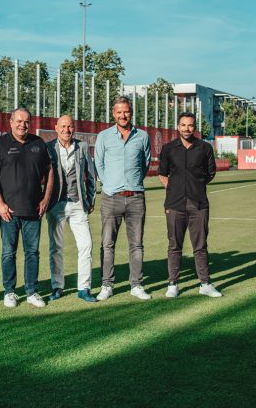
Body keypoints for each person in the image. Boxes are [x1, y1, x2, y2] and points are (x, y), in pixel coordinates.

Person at [0, 107, 54, 309]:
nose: (22, 125)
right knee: (9, 253)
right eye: (19, 121)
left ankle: (32, 291)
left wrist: (45, 199)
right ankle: (10, 292)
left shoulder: (38, 143)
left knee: (32, 252)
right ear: (11, 121)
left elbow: (50, 171)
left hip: (34, 210)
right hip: (8, 212)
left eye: (26, 122)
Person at [158, 112, 222, 298]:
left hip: (198, 203)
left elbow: (211, 173)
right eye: (183, 125)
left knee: (200, 246)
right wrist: (173, 188)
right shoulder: (169, 149)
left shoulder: (204, 148)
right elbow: (163, 173)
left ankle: (205, 283)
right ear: (178, 126)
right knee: (174, 245)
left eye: (190, 125)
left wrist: (196, 186)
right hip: (175, 203)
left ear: (195, 127)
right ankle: (173, 284)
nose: (187, 128)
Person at [93, 96, 152, 301]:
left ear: (131, 112)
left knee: (136, 244)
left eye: (126, 111)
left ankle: (136, 285)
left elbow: (144, 165)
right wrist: (109, 185)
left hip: (136, 198)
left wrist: (132, 183)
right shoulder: (103, 136)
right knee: (107, 244)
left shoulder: (143, 136)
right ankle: (107, 285)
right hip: (111, 198)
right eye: (119, 112)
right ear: (113, 113)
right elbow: (98, 165)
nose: (122, 115)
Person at [45, 115, 99, 303]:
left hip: (78, 205)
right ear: (56, 128)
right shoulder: (48, 147)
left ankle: (84, 288)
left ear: (74, 128)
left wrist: (90, 199)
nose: (67, 130)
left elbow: (90, 175)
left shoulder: (82, 147)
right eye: (63, 126)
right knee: (56, 247)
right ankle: (57, 286)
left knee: (86, 245)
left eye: (70, 127)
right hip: (55, 205)